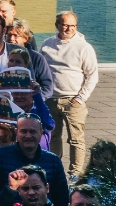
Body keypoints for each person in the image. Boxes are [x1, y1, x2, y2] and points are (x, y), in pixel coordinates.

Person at [35, 14, 99, 178]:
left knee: (76, 139)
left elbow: (92, 75)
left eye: (73, 26)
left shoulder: (84, 47)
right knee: (53, 137)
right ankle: (54, 169)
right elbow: (40, 70)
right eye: (65, 25)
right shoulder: (47, 44)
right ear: (57, 25)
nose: (69, 29)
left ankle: (75, 173)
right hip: (50, 99)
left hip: (73, 101)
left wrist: (80, 98)